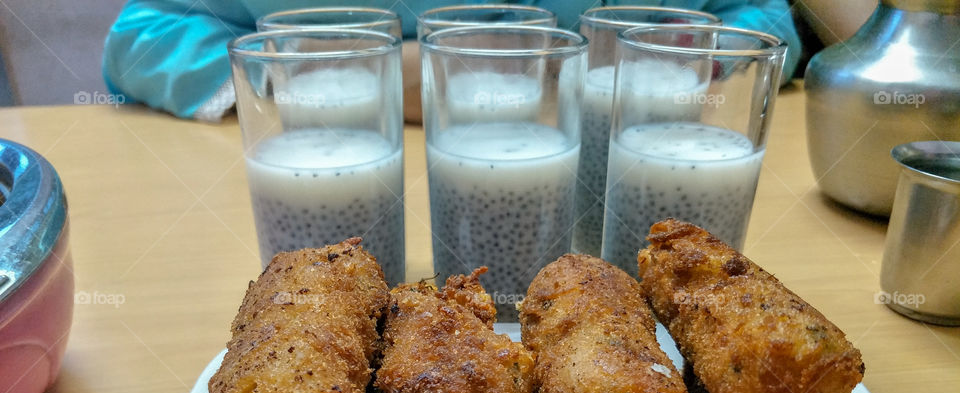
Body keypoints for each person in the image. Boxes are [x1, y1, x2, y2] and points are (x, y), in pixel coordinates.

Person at [102, 1, 802, 122]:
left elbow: (760, 13)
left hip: (625, 152)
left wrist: (690, 59)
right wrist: (309, 70)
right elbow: (140, 33)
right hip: (351, 150)